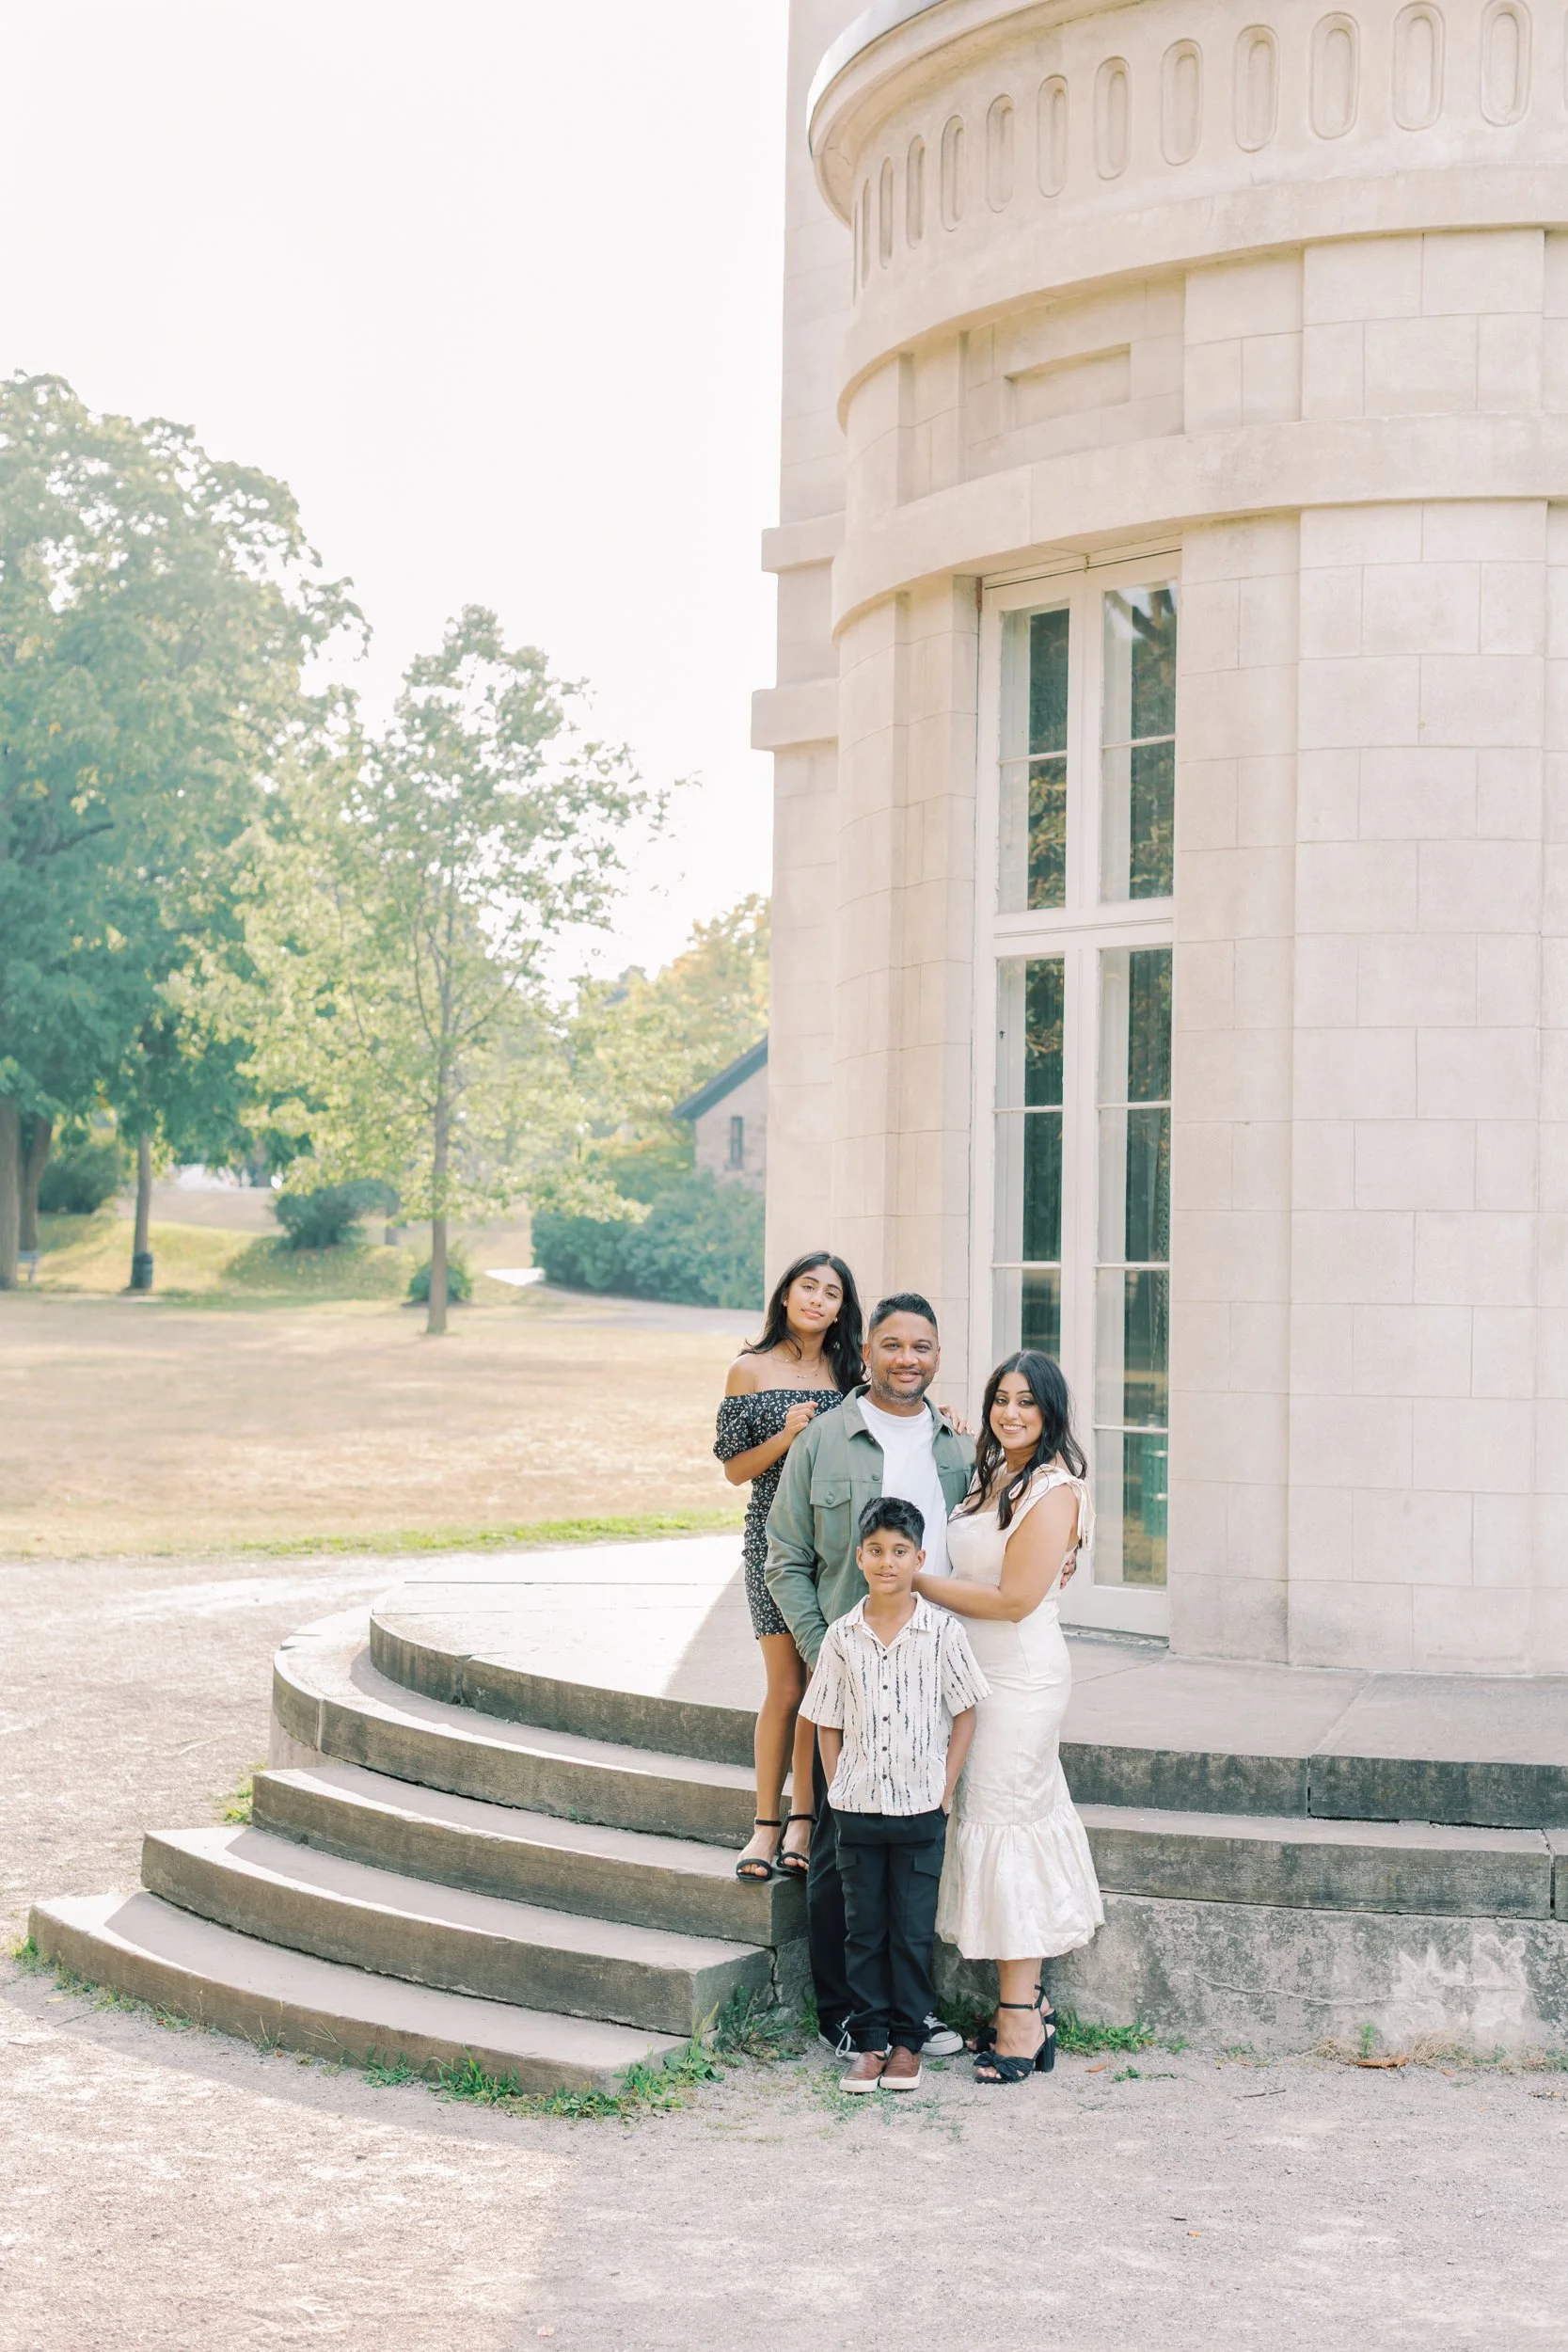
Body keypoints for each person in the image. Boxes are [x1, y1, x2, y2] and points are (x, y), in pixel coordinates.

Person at [765, 1290, 976, 2058]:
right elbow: (783, 1557)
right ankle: (847, 2016)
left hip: (929, 1680)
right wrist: (827, 1654)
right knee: (836, 1854)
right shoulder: (824, 1439)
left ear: (937, 1356)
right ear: (868, 1352)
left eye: (921, 1346)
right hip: (849, 1678)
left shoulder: (957, 1446)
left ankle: (911, 2017)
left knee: (915, 1865)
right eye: (892, 1345)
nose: (907, 1359)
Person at [913, 1349, 1104, 2086]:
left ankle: (1020, 2013)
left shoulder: (1053, 1489)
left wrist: (915, 1582)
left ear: (1051, 1411)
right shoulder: (991, 1475)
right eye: (1000, 1399)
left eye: (1027, 1401)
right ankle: (1026, 2006)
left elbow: (1013, 1599)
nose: (1012, 1412)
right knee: (994, 1819)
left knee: (1007, 1826)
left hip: (1019, 1677)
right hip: (972, 1674)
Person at [800, 1496, 988, 2092]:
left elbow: (965, 1713)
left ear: (919, 1557)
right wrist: (836, 1783)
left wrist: (945, 1786)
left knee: (910, 1929)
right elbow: (825, 1719)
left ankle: (908, 2044)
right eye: (876, 1551)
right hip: (857, 1808)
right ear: (861, 1557)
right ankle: (871, 2040)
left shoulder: (942, 1632)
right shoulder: (841, 1636)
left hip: (919, 1808)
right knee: (864, 1929)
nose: (887, 1562)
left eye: (899, 1551)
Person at [714, 1250, 864, 1883]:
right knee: (785, 1687)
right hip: (772, 1545)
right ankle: (764, 1823)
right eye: (808, 1287)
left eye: (831, 1293)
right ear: (784, 1295)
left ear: (840, 1311)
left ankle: (804, 1816)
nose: (817, 1300)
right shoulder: (747, 1370)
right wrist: (785, 1435)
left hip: (835, 1546)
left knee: (819, 1684)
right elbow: (733, 1469)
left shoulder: (852, 1372)